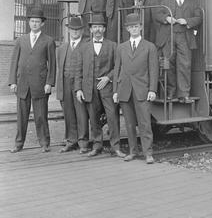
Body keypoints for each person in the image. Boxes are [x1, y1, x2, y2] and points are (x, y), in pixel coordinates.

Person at [74, 15, 125, 158]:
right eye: (94, 27)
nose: (97, 30)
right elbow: (78, 69)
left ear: (104, 29)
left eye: (100, 27)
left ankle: (116, 147)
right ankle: (97, 146)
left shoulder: (113, 46)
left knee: (112, 117)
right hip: (89, 88)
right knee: (94, 118)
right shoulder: (83, 47)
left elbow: (118, 67)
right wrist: (78, 89)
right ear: (90, 29)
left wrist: (108, 77)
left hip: (107, 88)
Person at [8, 7, 56, 153]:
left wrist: (49, 83)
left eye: (37, 21)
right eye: (32, 21)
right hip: (22, 84)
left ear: (42, 24)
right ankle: (18, 144)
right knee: (21, 116)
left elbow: (52, 64)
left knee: (41, 115)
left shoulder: (48, 41)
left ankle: (44, 143)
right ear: (29, 22)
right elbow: (14, 62)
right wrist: (13, 82)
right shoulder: (21, 40)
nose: (34, 24)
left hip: (40, 85)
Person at [113, 13, 159, 164]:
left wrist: (152, 89)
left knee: (145, 123)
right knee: (130, 123)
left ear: (140, 27)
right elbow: (117, 69)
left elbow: (153, 70)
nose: (133, 29)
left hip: (142, 90)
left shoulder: (150, 47)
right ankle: (133, 151)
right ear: (127, 29)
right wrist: (115, 91)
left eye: (136, 26)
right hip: (125, 90)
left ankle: (148, 153)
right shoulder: (121, 48)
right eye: (130, 26)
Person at [154, 0, 202, 102]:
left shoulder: (192, 3)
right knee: (169, 64)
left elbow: (198, 17)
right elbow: (157, 14)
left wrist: (187, 21)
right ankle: (171, 93)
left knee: (184, 65)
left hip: (185, 37)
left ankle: (184, 94)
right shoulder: (166, 1)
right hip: (168, 37)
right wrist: (167, 18)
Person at [55, 15, 89, 153]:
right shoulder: (62, 48)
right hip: (65, 83)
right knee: (68, 113)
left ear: (82, 31)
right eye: (73, 29)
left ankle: (83, 143)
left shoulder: (86, 46)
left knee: (81, 114)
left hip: (79, 84)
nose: (75, 32)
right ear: (68, 30)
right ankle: (71, 141)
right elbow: (60, 68)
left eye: (78, 29)